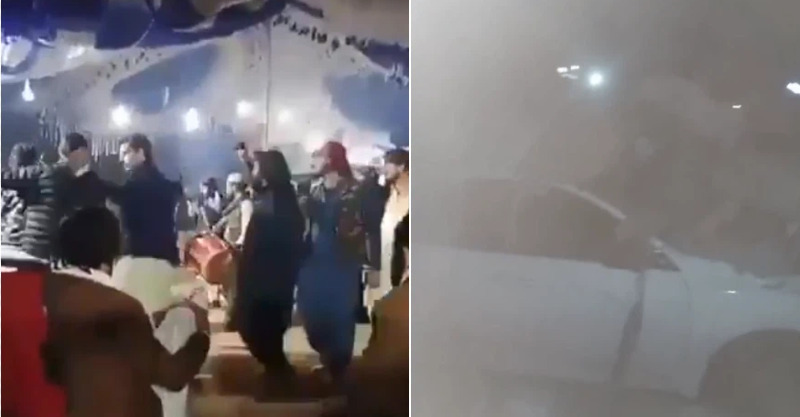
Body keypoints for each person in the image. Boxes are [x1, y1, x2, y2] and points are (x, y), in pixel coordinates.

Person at [1, 206, 210, 417]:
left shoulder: (35, 294)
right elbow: (172, 376)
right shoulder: (118, 307)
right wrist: (200, 335)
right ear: (113, 252)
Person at [297, 141, 378, 384]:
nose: (313, 162)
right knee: (311, 312)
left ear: (331, 160)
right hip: (314, 259)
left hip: (342, 260)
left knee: (340, 315)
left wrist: (372, 263)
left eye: (318, 157)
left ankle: (338, 369)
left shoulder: (355, 189)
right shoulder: (313, 188)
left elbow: (368, 226)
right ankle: (328, 358)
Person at [236, 150, 306, 398]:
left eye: (257, 167)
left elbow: (277, 239)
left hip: (268, 281)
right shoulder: (276, 195)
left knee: (260, 331)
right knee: (260, 332)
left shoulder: (277, 200)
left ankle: (281, 380)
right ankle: (278, 376)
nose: (253, 172)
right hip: (267, 278)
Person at [112, 133, 184, 264]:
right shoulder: (164, 184)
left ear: (140, 153)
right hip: (166, 258)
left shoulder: (136, 187)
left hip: (141, 259)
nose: (121, 159)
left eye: (126, 153)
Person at [367, 148, 409, 311]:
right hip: (383, 270)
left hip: (403, 274)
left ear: (402, 166)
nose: (383, 168)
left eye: (388, 163)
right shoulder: (387, 195)